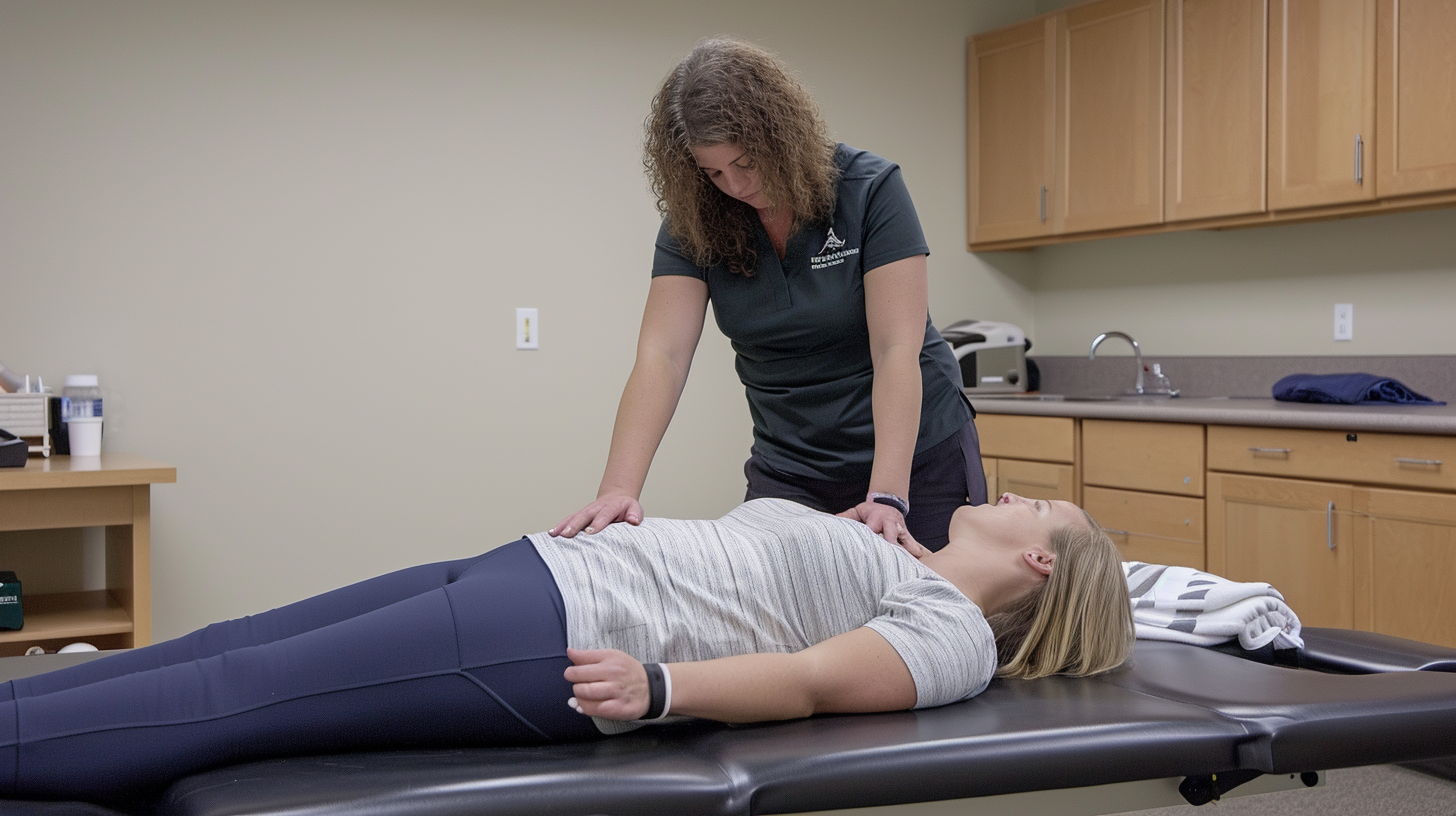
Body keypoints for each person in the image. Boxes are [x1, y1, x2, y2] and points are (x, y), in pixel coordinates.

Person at [0, 494, 1132, 802]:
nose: (1026, 496)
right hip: (538, 572)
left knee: (236, 693)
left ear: (1043, 565)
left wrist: (660, 688)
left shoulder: (952, 641)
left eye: (1047, 512)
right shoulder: (903, 561)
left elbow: (809, 681)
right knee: (226, 642)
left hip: (561, 639)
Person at [552, 38, 984, 553]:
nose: (733, 184)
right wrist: (618, 489)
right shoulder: (697, 220)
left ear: (780, 136)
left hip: (915, 458)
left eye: (746, 162)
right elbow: (662, 356)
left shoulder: (868, 189)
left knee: (928, 617)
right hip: (791, 467)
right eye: (712, 172)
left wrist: (889, 494)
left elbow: (896, 349)